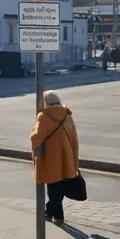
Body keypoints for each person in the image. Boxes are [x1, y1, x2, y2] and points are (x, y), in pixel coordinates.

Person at [31, 90, 80, 225]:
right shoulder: (67, 116)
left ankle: (56, 215)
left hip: (51, 157)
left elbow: (37, 137)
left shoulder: (44, 116)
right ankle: (53, 213)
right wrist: (74, 158)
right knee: (60, 186)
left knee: (53, 187)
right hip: (67, 156)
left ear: (46, 103)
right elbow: (74, 138)